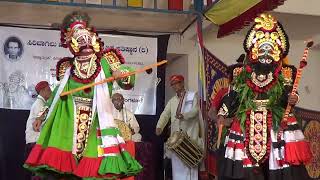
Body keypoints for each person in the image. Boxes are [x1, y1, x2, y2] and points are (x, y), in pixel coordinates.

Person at [24, 11, 142, 179]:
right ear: (72, 43)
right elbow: (57, 94)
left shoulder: (106, 61)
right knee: (67, 170)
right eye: (79, 38)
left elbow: (126, 80)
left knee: (94, 170)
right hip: (69, 121)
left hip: (97, 121)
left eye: (87, 37)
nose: (84, 41)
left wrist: (121, 73)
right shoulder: (68, 68)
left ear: (93, 38)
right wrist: (41, 116)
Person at [215, 13, 312, 180]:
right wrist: (222, 114)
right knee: (245, 167)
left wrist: (293, 98)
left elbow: (290, 94)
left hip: (276, 124)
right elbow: (233, 96)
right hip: (246, 121)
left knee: (278, 165)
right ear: (253, 51)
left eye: (270, 49)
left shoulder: (286, 73)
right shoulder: (240, 73)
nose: (265, 54)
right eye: (262, 49)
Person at [155, 74, 203, 180]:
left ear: (182, 83)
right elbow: (165, 114)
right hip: (176, 141)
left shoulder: (192, 95)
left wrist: (184, 115)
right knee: (177, 169)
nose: (175, 86)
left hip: (190, 138)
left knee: (191, 167)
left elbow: (195, 111)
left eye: (177, 83)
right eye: (173, 84)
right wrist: (160, 126)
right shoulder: (172, 101)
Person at [24, 81, 52, 180]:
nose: (51, 92)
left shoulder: (42, 104)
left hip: (35, 141)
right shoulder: (40, 105)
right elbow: (39, 125)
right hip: (35, 141)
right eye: (49, 90)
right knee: (38, 172)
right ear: (42, 91)